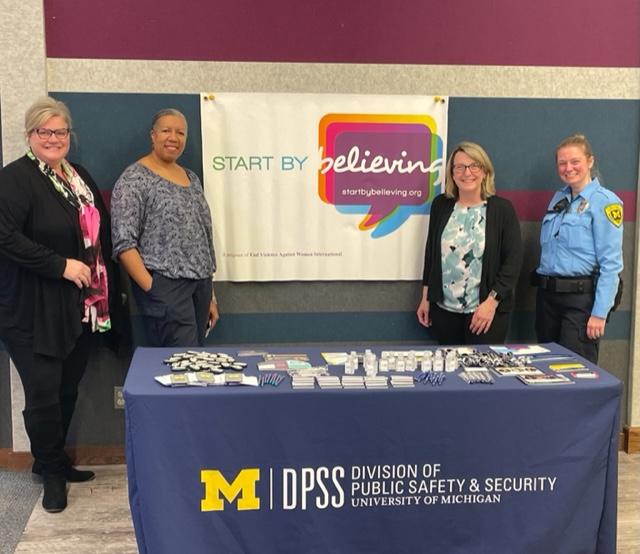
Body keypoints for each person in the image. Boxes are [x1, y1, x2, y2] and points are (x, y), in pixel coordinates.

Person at [0, 97, 117, 512]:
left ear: (70, 136)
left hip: (80, 307)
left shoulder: (78, 177)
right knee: (44, 394)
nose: (53, 139)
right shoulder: (15, 179)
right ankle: (50, 471)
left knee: (67, 388)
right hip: (31, 308)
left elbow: (99, 238)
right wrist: (59, 265)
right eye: (44, 132)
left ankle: (53, 460)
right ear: (30, 136)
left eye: (60, 132)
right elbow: (6, 237)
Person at [111, 108, 218, 347]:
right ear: (153, 135)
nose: (174, 137)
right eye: (166, 131)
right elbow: (123, 243)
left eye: (180, 132)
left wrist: (211, 296)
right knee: (181, 365)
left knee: (198, 365)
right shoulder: (134, 179)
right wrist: (153, 290)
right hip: (166, 286)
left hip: (200, 286)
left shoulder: (191, 178)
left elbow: (203, 236)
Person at [417, 141, 522, 345]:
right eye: (460, 167)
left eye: (474, 166)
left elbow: (513, 262)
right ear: (452, 173)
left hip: (485, 313)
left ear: (485, 172)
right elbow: (431, 255)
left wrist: (491, 303)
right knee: (450, 373)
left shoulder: (502, 209)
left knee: (483, 375)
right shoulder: (441, 205)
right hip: (444, 311)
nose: (467, 173)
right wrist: (426, 298)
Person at [533, 134, 623, 364]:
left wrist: (600, 313)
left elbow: (611, 264)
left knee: (575, 373)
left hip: (579, 303)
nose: (568, 168)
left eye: (575, 162)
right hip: (548, 299)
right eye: (562, 163)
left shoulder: (606, 202)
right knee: (544, 370)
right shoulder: (558, 199)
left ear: (590, 161)